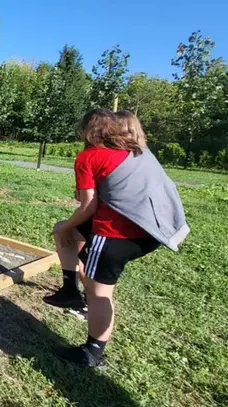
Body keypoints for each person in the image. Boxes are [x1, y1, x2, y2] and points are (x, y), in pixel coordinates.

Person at [50, 109, 188, 368]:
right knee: (71, 234)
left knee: (98, 292)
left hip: (116, 232)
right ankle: (69, 290)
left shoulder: (89, 156)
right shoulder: (137, 151)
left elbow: (87, 206)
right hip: (153, 230)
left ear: (86, 131)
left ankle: (93, 352)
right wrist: (68, 228)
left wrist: (65, 226)